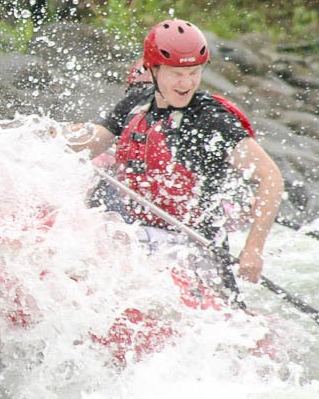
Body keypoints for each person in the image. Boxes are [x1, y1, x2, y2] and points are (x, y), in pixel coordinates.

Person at [60, 19, 284, 284]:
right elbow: (91, 143)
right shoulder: (136, 104)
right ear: (153, 69)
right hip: (140, 233)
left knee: (105, 245)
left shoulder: (211, 119)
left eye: (194, 72)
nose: (186, 83)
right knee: (78, 238)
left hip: (195, 250)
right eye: (176, 73)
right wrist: (45, 136)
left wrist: (253, 250)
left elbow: (271, 178)